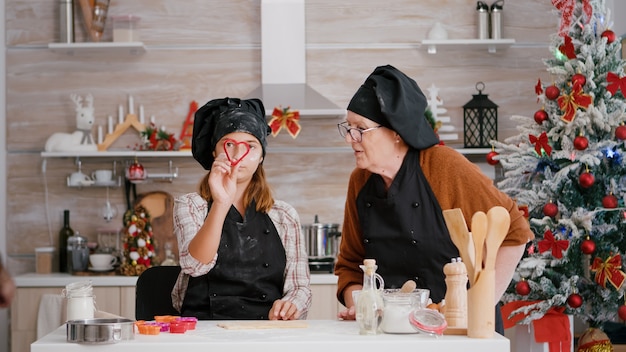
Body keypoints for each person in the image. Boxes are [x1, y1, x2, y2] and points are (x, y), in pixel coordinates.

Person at [334, 65, 534, 333]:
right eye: (348, 128)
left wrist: (481, 306)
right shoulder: (359, 182)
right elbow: (350, 265)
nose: (350, 139)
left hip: (459, 331)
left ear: (396, 132)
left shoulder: (443, 166)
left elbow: (514, 232)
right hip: (394, 332)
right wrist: (361, 302)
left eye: (360, 128)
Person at [172, 97, 311, 320]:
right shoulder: (190, 205)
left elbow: (299, 288)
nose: (238, 156)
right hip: (204, 331)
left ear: (261, 156)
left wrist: (291, 304)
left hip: (266, 330)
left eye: (250, 146)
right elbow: (195, 265)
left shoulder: (284, 216)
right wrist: (221, 202)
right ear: (214, 152)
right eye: (228, 144)